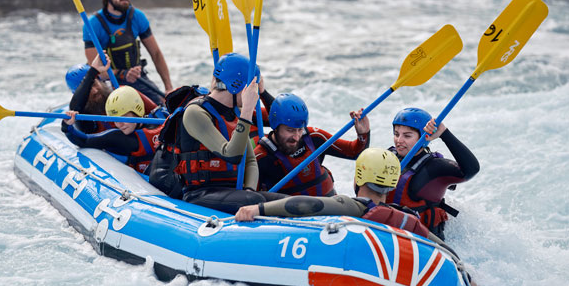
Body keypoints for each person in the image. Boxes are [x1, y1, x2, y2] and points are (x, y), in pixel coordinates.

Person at [235, 147, 480, 286]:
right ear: (392, 184)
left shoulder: (354, 207)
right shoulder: (407, 218)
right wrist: (466, 274)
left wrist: (258, 208)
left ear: (359, 175)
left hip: (352, 283)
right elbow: (442, 248)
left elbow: (306, 205)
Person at [172, 52, 286, 213]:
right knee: (254, 201)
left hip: (235, 193)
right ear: (236, 85)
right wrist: (247, 110)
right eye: (252, 86)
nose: (254, 93)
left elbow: (250, 162)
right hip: (199, 193)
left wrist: (249, 190)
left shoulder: (234, 112)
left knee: (286, 201)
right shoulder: (195, 112)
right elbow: (232, 155)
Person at [387, 107, 480, 240]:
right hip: (387, 232)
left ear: (423, 138)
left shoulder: (434, 167)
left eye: (407, 136)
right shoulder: (388, 157)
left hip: (424, 242)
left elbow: (471, 169)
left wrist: (444, 133)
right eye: (396, 134)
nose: (399, 140)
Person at [83, 0, 173, 105]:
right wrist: (123, 74)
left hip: (137, 79)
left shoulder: (138, 17)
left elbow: (156, 54)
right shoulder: (92, 25)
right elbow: (96, 71)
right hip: (107, 82)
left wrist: (168, 87)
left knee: (163, 107)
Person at [255, 93, 370, 196]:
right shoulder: (260, 157)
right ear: (275, 126)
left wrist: (363, 134)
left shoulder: (314, 137)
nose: (296, 137)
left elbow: (355, 153)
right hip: (296, 219)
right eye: (290, 130)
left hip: (332, 212)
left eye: (299, 130)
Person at [62, 85, 162, 174]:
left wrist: (66, 126)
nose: (119, 124)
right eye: (115, 119)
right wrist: (67, 124)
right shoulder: (161, 117)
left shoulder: (122, 138)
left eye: (123, 116)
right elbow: (84, 140)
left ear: (137, 110)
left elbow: (84, 140)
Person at [66, 55, 163, 135]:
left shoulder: (123, 92)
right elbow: (74, 107)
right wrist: (93, 71)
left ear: (100, 80)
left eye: (94, 84)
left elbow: (158, 114)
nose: (95, 91)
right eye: (88, 90)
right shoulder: (83, 116)